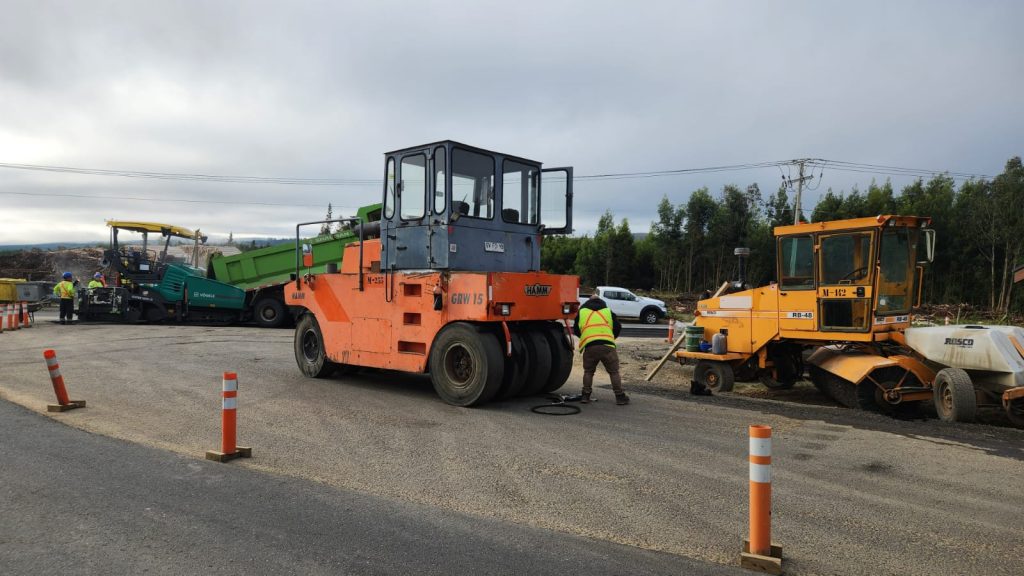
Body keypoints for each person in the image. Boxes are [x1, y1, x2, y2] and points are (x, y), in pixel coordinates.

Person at [573, 292, 628, 405]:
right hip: (607, 345)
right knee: (613, 372)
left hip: (590, 346)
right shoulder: (607, 311)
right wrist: (610, 337)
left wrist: (587, 337)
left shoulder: (582, 312)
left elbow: (576, 330)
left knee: (588, 371)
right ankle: (620, 397)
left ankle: (585, 396)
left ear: (588, 302)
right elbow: (618, 327)